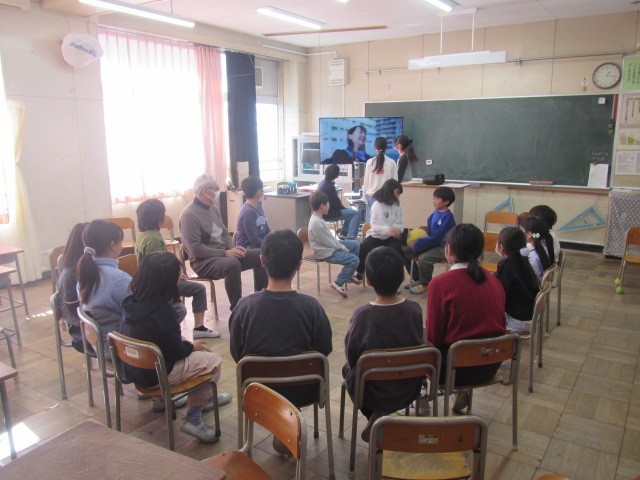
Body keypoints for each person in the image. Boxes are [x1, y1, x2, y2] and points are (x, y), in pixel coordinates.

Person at [228, 229, 332, 455]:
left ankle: (281, 427)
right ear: (298, 266)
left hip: (258, 390)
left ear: (262, 261)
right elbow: (324, 350)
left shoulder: (244, 308)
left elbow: (237, 353)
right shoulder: (312, 308)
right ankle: (288, 425)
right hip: (304, 389)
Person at [120, 252, 232, 444]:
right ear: (168, 283)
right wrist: (192, 346)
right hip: (156, 377)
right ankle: (194, 417)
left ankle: (161, 401)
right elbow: (176, 352)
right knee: (212, 361)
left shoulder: (130, 302)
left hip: (135, 372)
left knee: (181, 348)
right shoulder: (163, 312)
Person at [342, 246, 424, 443]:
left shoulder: (362, 315)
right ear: (403, 277)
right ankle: (384, 416)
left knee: (348, 368)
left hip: (371, 392)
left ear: (368, 281)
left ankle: (374, 415)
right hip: (408, 387)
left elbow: (352, 355)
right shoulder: (414, 310)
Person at [426, 224, 506, 414]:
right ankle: (460, 392)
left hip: (455, 370)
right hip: (491, 363)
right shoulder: (494, 280)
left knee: (416, 338)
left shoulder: (440, 284)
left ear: (449, 249)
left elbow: (434, 338)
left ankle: (420, 401)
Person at [179, 174, 267, 311]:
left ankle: (261, 298)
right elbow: (195, 249)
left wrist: (233, 250)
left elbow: (224, 232)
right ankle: (237, 308)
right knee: (232, 264)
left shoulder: (213, 208)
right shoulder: (189, 215)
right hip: (203, 262)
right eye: (216, 188)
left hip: (223, 255)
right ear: (205, 191)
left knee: (261, 254)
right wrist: (226, 253)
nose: (218, 191)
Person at [135, 199, 219, 338]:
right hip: (159, 285)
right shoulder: (154, 239)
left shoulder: (143, 235)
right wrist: (174, 278)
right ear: (158, 217)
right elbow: (157, 268)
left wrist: (176, 274)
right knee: (198, 290)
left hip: (153, 282)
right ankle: (194, 329)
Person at [77, 220, 131, 355]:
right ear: (113, 245)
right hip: (121, 349)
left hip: (99, 345)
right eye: (120, 241)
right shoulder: (119, 279)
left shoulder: (84, 274)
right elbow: (140, 312)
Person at [308, 191, 361, 298]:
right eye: (328, 204)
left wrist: (342, 246)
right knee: (354, 260)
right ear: (322, 206)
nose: (329, 206)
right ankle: (338, 282)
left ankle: (349, 274)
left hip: (328, 246)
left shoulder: (318, 218)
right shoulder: (317, 223)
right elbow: (330, 243)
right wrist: (343, 248)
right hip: (325, 252)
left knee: (355, 244)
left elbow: (330, 240)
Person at [409, 187, 456, 294]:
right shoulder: (434, 213)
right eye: (433, 198)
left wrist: (421, 243)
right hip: (433, 244)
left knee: (424, 258)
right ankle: (420, 279)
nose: (433, 201)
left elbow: (439, 238)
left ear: (446, 202)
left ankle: (425, 284)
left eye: (436, 199)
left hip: (444, 247)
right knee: (408, 253)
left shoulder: (448, 217)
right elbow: (430, 231)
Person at [356, 179, 408, 278]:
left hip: (391, 237)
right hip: (376, 236)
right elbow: (375, 226)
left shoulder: (397, 205)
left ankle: (396, 277)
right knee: (363, 247)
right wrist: (388, 230)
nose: (398, 196)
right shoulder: (377, 205)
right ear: (390, 192)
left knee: (397, 252)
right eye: (397, 193)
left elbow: (400, 223)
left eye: (399, 194)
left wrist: (396, 229)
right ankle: (360, 272)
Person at [495, 226, 540, 333]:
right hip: (531, 317)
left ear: (501, 247)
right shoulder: (524, 260)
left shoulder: (506, 265)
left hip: (517, 321)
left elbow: (498, 292)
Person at [57, 222, 88, 352]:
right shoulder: (71, 276)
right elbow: (78, 316)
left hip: (92, 329)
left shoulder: (85, 268)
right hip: (82, 333)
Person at [317, 164, 360, 240]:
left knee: (350, 211)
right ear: (336, 175)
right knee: (356, 212)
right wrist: (345, 208)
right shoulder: (329, 186)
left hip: (324, 212)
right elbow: (336, 203)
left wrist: (345, 209)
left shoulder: (323, 183)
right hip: (329, 213)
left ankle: (343, 234)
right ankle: (351, 238)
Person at [363, 137, 398, 221]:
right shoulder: (392, 162)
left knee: (371, 224)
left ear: (375, 147)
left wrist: (365, 196)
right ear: (386, 147)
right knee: (386, 223)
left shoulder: (369, 162)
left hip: (372, 196)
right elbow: (395, 182)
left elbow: (366, 181)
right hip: (387, 197)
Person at [235, 175, 271, 249]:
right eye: (262, 189)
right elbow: (254, 240)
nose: (263, 191)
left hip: (258, 246)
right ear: (258, 191)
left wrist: (275, 240)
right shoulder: (247, 212)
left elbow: (267, 231)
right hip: (247, 249)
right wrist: (270, 246)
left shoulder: (258, 208)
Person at [522, 215, 555, 282]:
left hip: (534, 285)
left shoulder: (532, 255)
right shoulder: (545, 244)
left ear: (529, 234)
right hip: (540, 281)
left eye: (522, 230)